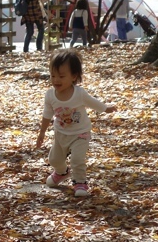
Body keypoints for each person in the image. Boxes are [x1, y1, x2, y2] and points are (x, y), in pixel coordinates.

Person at [36, 50, 116, 197]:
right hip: (61, 133)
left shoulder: (79, 93)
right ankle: (61, 172)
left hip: (81, 133)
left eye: (61, 76)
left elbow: (92, 102)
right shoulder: (50, 95)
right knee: (54, 159)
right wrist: (42, 132)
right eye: (53, 76)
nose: (56, 80)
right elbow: (47, 114)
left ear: (73, 77)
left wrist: (105, 108)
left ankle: (80, 183)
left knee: (77, 159)